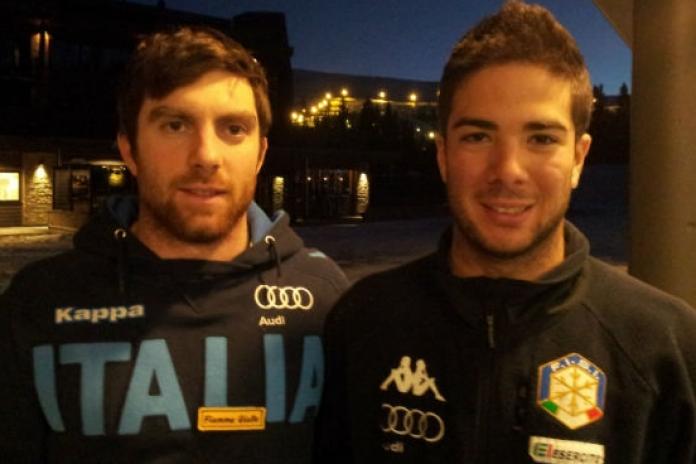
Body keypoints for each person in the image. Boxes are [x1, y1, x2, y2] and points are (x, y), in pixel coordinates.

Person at [313, 2, 696, 463]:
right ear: (443, 156)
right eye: (478, 137)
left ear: (578, 158)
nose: (508, 170)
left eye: (541, 139)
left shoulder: (665, 348)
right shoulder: (364, 323)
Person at [0, 27, 348, 463]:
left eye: (233, 128)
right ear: (130, 149)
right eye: (175, 125)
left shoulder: (324, 297)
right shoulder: (37, 304)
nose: (206, 155)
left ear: (260, 154)